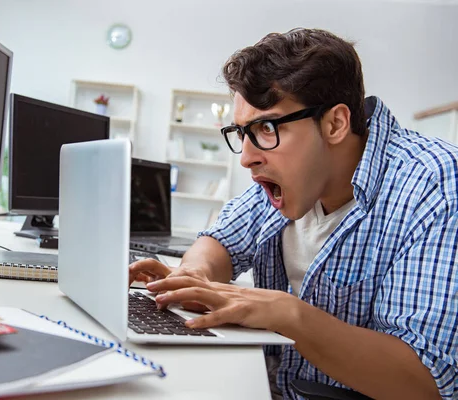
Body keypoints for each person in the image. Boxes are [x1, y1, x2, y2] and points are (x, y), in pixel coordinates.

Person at [129, 28, 457, 399]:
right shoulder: (292, 178)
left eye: (266, 128)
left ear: (335, 124)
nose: (246, 157)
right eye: (242, 133)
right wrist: (195, 276)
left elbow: (426, 381)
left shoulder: (437, 186)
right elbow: (220, 239)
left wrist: (290, 316)